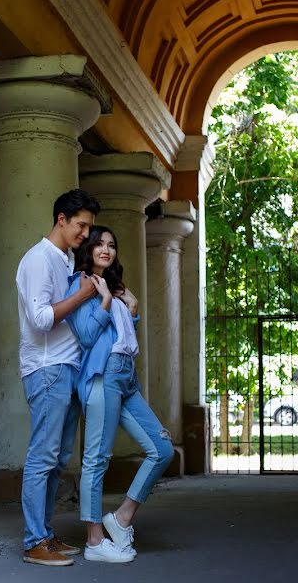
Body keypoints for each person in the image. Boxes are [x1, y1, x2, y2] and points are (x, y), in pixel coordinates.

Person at [66, 225, 174, 563]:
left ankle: (122, 517)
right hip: (104, 376)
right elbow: (85, 336)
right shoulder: (81, 284)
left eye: (112, 245)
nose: (106, 250)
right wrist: (106, 300)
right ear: (88, 249)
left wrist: (133, 308)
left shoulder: (113, 286)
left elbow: (122, 335)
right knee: (96, 460)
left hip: (126, 375)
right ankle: (95, 541)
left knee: (162, 449)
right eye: (99, 244)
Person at [16, 189, 100, 567]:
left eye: (89, 227)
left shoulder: (64, 259)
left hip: (67, 369)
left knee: (58, 458)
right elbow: (40, 319)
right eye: (81, 225)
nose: (85, 233)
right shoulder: (38, 259)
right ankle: (34, 541)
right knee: (42, 456)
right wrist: (82, 296)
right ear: (62, 219)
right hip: (47, 368)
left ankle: (45, 534)